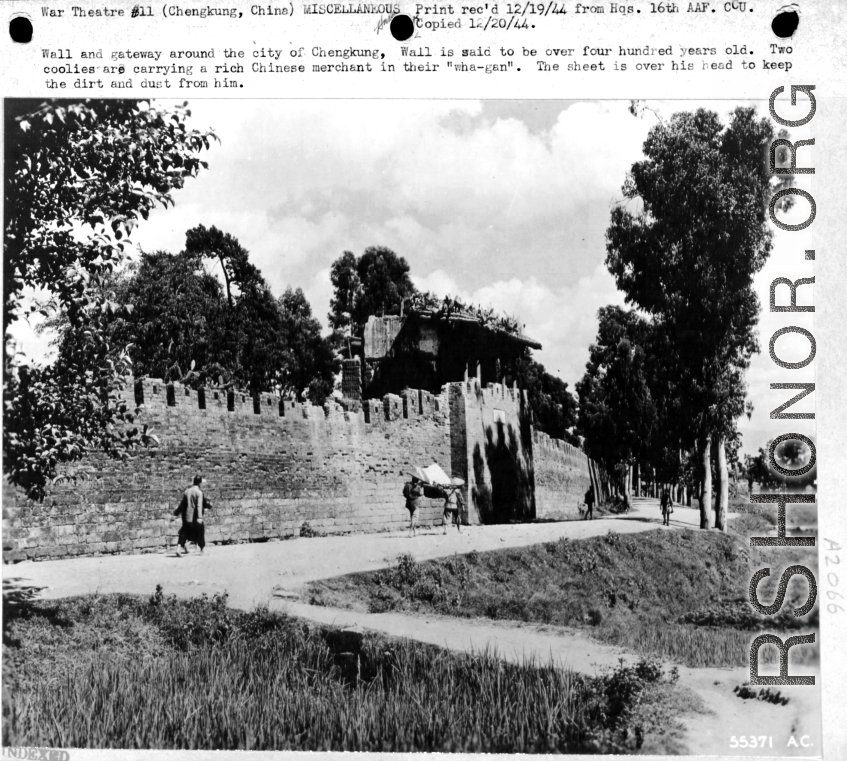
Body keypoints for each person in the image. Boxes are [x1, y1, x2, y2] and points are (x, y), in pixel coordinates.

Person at [176, 475, 207, 554]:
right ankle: (202, 549)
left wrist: (176, 512)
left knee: (184, 532)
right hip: (195, 516)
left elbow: (182, 504)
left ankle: (179, 548)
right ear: (199, 483)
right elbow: (199, 505)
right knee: (200, 531)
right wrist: (200, 517)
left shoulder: (187, 491)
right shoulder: (199, 492)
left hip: (186, 516)